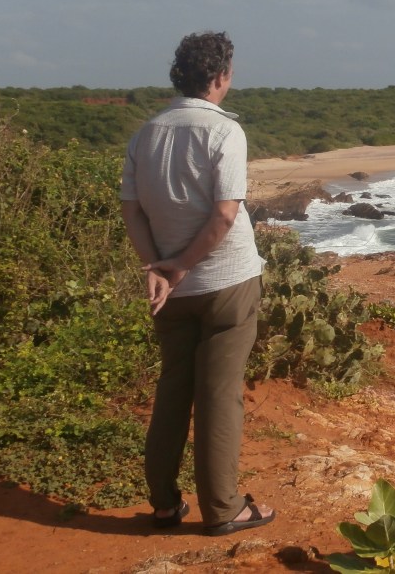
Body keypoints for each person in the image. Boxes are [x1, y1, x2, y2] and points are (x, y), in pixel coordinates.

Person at [120, 31, 274, 536]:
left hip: (172, 288)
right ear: (221, 76)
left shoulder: (147, 133)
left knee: (172, 391)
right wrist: (182, 265)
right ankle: (223, 509)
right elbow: (226, 214)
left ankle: (164, 504)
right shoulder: (224, 131)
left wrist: (160, 267)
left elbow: (132, 210)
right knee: (218, 395)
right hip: (226, 280)